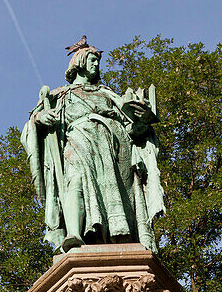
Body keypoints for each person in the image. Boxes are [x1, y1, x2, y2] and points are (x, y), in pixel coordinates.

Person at [21, 43, 165, 253]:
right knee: (75, 180)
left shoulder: (109, 95)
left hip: (116, 147)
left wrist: (142, 121)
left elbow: (134, 131)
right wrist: (41, 118)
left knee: (122, 194)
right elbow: (31, 125)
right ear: (79, 63)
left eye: (98, 61)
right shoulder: (60, 95)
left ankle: (122, 237)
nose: (97, 64)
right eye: (92, 60)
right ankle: (74, 234)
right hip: (80, 139)